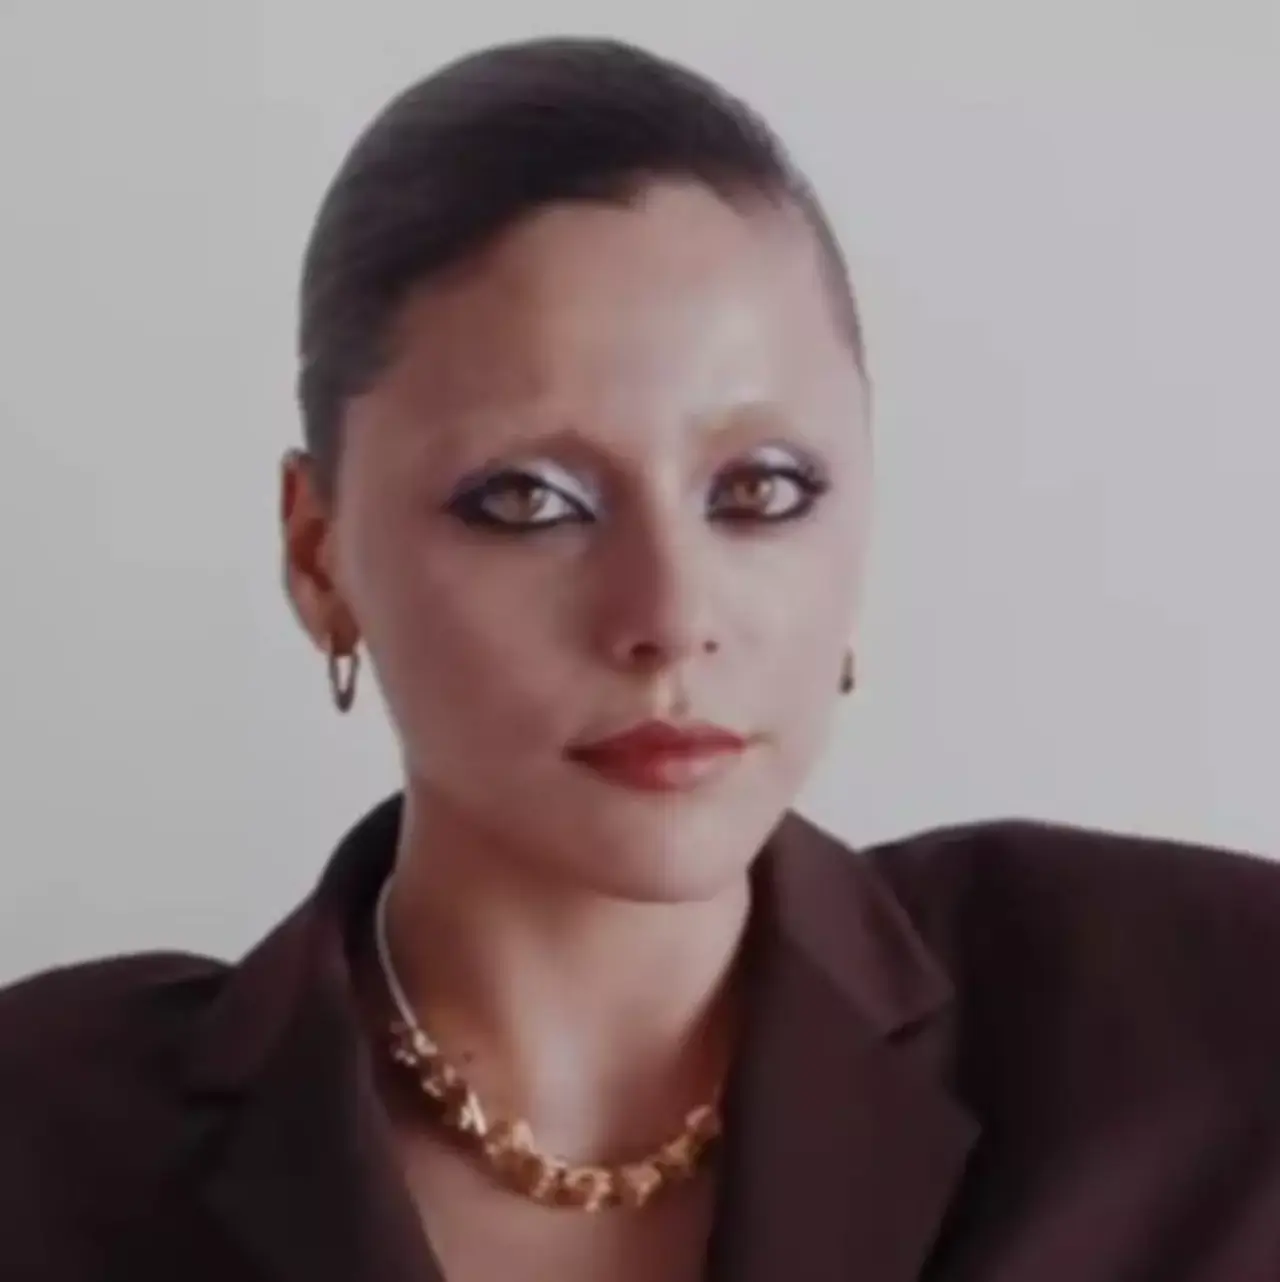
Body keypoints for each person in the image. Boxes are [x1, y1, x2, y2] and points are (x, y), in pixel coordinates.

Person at [1, 34, 1277, 1282]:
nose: (668, 614)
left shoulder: (1203, 1021)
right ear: (317, 552)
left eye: (759, 489)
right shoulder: (45, 1143)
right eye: (526, 500)